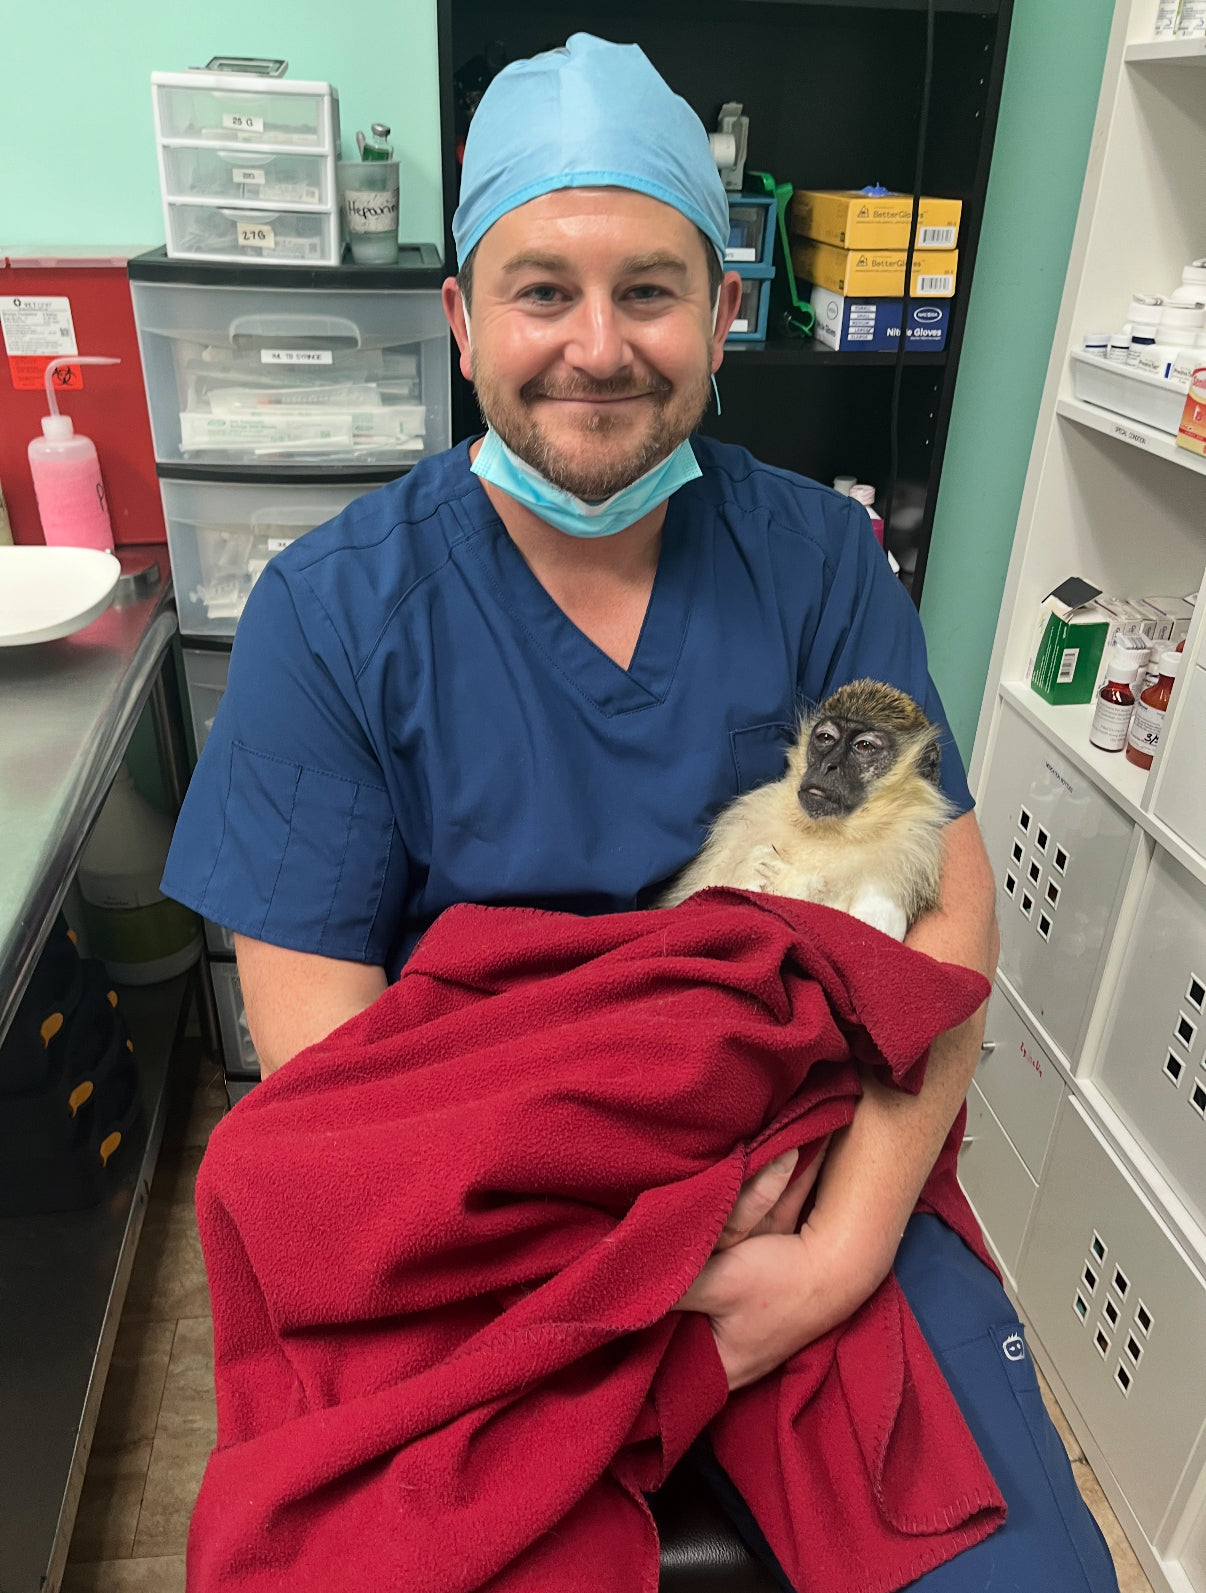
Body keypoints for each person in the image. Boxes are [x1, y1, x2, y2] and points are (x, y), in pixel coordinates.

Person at [162, 33, 1119, 1590]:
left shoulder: (815, 566)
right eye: (541, 289)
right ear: (461, 318)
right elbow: (335, 1088)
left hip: (809, 1174)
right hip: (485, 1241)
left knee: (1015, 1571)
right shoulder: (333, 618)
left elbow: (945, 931)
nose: (596, 347)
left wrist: (832, 1258)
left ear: (725, 312)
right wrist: (649, 1251)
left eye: (650, 291)